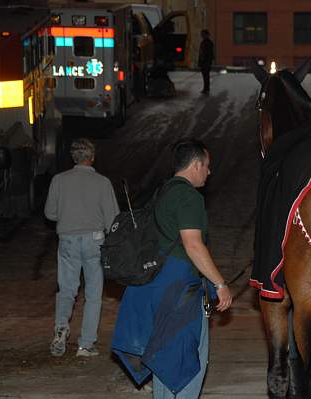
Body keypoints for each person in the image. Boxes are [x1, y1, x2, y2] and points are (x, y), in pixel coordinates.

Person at [111, 139, 233, 399]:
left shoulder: (163, 191)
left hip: (155, 285)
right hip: (179, 292)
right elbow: (193, 245)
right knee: (187, 364)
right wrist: (220, 284)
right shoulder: (189, 196)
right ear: (196, 164)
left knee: (163, 358)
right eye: (207, 166)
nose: (209, 173)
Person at [45, 138, 120, 357]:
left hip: (68, 239)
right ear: (92, 157)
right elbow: (113, 219)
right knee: (93, 294)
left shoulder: (59, 181)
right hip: (95, 241)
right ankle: (86, 344)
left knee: (67, 288)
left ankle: (61, 327)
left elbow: (50, 214)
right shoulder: (102, 182)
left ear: (73, 157)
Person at [198, 29, 214, 94]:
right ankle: (206, 88)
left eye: (203, 34)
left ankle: (206, 89)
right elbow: (201, 53)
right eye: (202, 34)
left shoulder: (208, 43)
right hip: (204, 62)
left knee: (206, 76)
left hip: (206, 62)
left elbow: (209, 54)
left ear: (207, 35)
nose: (202, 35)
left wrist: (206, 61)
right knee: (205, 76)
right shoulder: (204, 42)